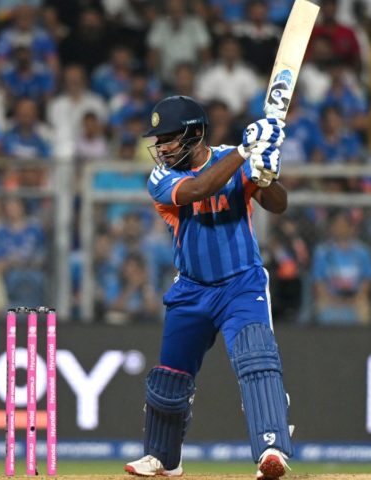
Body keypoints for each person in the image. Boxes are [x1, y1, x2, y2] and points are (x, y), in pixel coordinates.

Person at [123, 96, 293, 480]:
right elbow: (199, 189)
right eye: (159, 140)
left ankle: (272, 449)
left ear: (196, 133)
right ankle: (164, 459)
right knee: (170, 377)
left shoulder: (236, 157)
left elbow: (278, 205)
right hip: (191, 290)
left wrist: (266, 177)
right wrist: (247, 152)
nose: (161, 148)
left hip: (241, 283)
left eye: (168, 138)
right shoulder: (160, 179)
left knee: (256, 359)